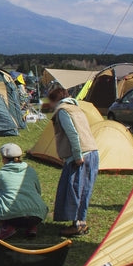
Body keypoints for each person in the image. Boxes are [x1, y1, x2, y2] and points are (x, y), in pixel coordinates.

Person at [47, 87, 99, 237]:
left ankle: (77, 225)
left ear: (55, 100)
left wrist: (77, 155)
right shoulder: (77, 108)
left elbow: (73, 134)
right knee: (84, 190)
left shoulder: (63, 110)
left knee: (74, 190)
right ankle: (81, 222)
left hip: (81, 155)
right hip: (92, 151)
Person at [0, 143, 48, 240]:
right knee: (29, 211)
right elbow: (38, 191)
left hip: (13, 216)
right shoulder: (31, 171)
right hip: (38, 215)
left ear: (4, 158)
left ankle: (7, 227)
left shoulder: (1, 174)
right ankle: (32, 227)